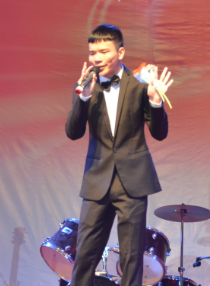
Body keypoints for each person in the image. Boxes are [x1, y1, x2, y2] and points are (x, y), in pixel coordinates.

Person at [66, 24, 172, 286]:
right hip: (97, 180)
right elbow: (73, 133)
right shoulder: (85, 86)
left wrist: (155, 101)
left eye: (104, 52)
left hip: (133, 181)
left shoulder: (139, 84)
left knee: (132, 259)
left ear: (120, 52)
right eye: (93, 53)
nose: (97, 58)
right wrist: (83, 98)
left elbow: (159, 133)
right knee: (84, 256)